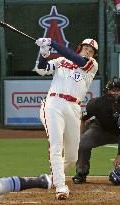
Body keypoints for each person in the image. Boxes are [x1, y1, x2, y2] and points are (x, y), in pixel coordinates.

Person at [34, 37, 98, 200]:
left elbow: (75, 58)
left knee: (72, 157)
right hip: (53, 103)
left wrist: (52, 43)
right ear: (80, 47)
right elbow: (41, 68)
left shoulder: (91, 65)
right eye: (86, 48)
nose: (89, 51)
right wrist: (43, 52)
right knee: (56, 145)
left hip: (74, 107)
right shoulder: (61, 60)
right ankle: (61, 186)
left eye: (92, 51)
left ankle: (52, 178)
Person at [72, 76, 120, 184]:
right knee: (84, 143)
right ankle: (81, 173)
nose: (115, 93)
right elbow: (83, 119)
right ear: (107, 91)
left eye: (118, 90)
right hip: (102, 130)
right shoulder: (96, 103)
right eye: (113, 90)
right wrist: (80, 136)